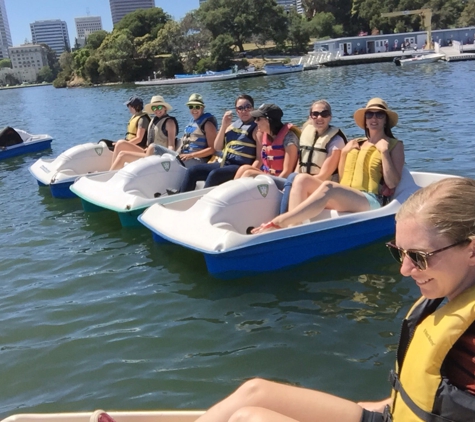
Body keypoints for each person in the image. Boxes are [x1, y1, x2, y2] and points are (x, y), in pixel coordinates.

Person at [90, 177, 475, 422]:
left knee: (251, 421)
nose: (404, 271)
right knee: (256, 391)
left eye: (419, 257)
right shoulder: (450, 291)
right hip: (393, 414)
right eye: (398, 253)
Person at [252, 98, 404, 234]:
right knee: (301, 179)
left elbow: (392, 182)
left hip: (371, 199)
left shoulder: (393, 145)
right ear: (365, 120)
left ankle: (280, 221)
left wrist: (384, 152)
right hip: (350, 195)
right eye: (370, 115)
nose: (374, 118)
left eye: (379, 115)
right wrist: (344, 154)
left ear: (386, 120)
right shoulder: (355, 143)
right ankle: (293, 230)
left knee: (328, 187)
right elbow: (344, 177)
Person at [178, 94, 261, 192]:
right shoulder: (232, 125)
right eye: (240, 108)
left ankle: (203, 201)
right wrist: (224, 125)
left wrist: (247, 174)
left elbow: (260, 158)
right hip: (225, 163)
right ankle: (179, 199)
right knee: (192, 171)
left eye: (248, 107)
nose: (244, 111)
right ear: (236, 110)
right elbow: (217, 147)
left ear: (253, 108)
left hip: (240, 167)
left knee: (215, 174)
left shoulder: (257, 128)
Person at [280, 100, 347, 213]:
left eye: (324, 114)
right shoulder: (307, 134)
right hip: (304, 182)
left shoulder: (336, 141)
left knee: (295, 182)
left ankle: (285, 222)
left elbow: (323, 175)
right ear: (310, 117)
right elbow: (300, 165)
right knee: (291, 179)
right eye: (315, 114)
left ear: (330, 117)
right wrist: (293, 180)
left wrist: (296, 184)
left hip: (326, 188)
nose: (319, 117)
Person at [109, 95, 178, 170]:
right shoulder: (154, 120)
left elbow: (171, 145)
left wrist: (170, 160)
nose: (157, 110)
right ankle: (110, 172)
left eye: (160, 107)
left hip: (158, 156)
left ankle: (110, 176)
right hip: (148, 151)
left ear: (165, 108)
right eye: (154, 108)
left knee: (123, 155)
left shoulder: (169, 122)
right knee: (120, 143)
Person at [234, 103, 300, 180]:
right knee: (244, 168)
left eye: (258, 119)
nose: (255, 122)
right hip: (270, 177)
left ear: (269, 120)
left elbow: (287, 172)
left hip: (282, 181)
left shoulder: (289, 139)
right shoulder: (267, 136)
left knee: (249, 173)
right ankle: (229, 190)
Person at [178, 93, 217, 169]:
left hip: (199, 160)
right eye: (191, 107)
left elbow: (212, 149)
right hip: (186, 157)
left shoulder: (207, 124)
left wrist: (191, 155)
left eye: (197, 107)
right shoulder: (191, 122)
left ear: (202, 108)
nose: (194, 109)